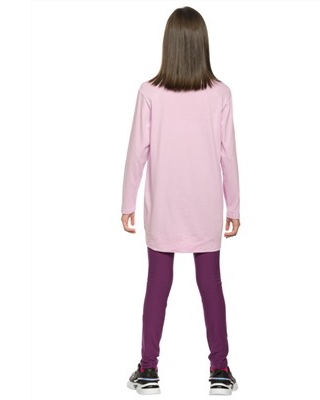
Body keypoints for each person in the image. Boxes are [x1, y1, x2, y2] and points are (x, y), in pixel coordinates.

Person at [121, 6, 240, 396]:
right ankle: (220, 370)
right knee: (211, 285)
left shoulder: (149, 92)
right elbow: (228, 155)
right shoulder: (220, 94)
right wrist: (234, 206)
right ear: (202, 44)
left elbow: (137, 151)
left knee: (158, 284)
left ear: (168, 44)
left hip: (164, 208)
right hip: (205, 208)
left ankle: (148, 369)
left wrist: (127, 203)